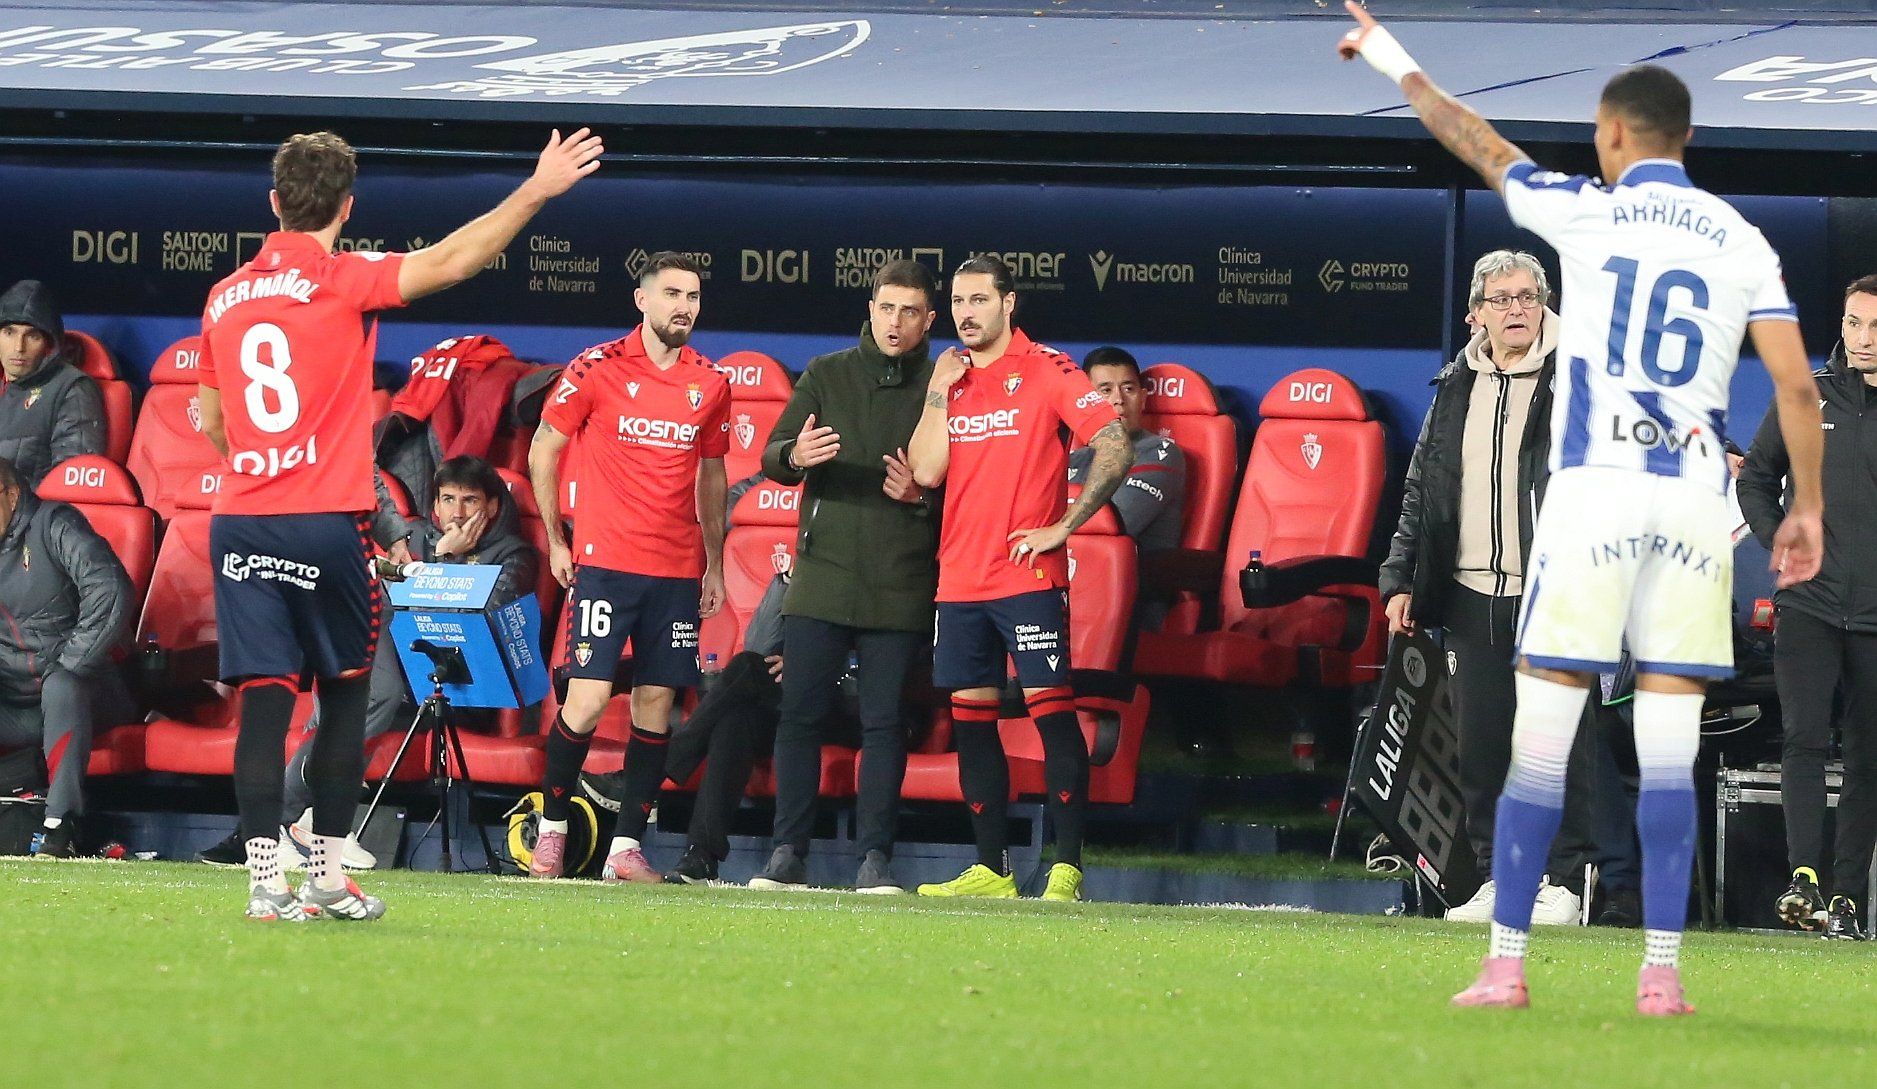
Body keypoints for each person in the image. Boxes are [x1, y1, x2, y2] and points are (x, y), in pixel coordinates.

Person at [1341, 5, 1824, 1016]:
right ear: (1687, 138)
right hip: (1688, 507)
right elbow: (1795, 390)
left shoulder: (1585, 212)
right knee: (1663, 748)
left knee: (1541, 740)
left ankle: (1504, 963)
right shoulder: (1738, 238)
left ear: (1609, 137)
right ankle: (1658, 975)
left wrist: (1389, 57)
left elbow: (1473, 139)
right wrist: (1802, 508)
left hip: (1593, 492)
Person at [200, 127, 603, 922]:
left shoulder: (221, 296)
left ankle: (261, 886)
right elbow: (454, 260)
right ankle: (321, 874)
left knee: (266, 702)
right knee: (347, 694)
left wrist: (266, 464)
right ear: (347, 207)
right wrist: (536, 188)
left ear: (274, 202)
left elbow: (216, 423)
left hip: (241, 521)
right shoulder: (345, 279)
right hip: (324, 521)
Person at [1379, 250, 1597, 927]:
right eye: (1500, 299)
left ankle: (1565, 881)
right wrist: (1399, 576)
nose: (1514, 311)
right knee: (1480, 750)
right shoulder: (1454, 386)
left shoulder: (1580, 377)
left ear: (1544, 304)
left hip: (1553, 593)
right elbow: (1422, 489)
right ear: (1476, 312)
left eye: (1526, 297)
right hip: (1470, 591)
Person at [907, 255, 1133, 902]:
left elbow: (1114, 443)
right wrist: (935, 390)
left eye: (978, 299)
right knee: (971, 722)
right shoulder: (951, 378)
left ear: (1009, 304)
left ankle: (1066, 867)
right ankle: (992, 870)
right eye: (956, 301)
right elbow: (925, 471)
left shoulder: (1048, 369)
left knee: (1050, 717)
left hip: (1027, 577)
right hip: (958, 580)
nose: (965, 312)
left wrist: (1066, 524)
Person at [196, 455, 537, 871]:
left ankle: (274, 827)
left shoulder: (515, 554)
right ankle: (306, 822)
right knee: (357, 690)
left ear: (493, 507)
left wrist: (446, 563)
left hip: (455, 691)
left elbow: (475, 624)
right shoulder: (412, 539)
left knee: (364, 699)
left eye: (470, 501)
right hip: (398, 681)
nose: (458, 513)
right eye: (448, 499)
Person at [526, 252, 730, 884]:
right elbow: (544, 448)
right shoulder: (596, 368)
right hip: (606, 566)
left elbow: (715, 474)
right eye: (672, 293)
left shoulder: (712, 381)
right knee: (584, 703)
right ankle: (553, 832)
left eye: (692, 296)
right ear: (642, 300)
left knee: (655, 704)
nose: (684, 307)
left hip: (675, 571)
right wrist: (557, 539)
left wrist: (715, 564)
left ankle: (625, 851)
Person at [744, 259, 941, 893]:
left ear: (928, 320)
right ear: (871, 309)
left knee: (884, 723)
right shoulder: (828, 373)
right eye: (887, 308)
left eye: (910, 312)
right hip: (822, 576)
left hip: (901, 579)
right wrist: (796, 456)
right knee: (799, 716)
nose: (896, 322)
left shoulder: (943, 386)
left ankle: (876, 858)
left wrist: (921, 497)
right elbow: (772, 454)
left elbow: (967, 491)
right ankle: (786, 853)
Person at [1738, 274, 1877, 942]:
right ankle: (1803, 878)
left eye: (1875, 327)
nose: (1864, 339)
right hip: (1810, 604)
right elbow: (1757, 477)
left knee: (1867, 755)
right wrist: (1777, 537)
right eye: (1854, 324)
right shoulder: (1806, 395)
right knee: (1801, 738)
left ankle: (1848, 899)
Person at [0, 455, 133, 857]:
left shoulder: (54, 523)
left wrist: (71, 663)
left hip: (85, 694)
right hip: (15, 706)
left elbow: (110, 590)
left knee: (61, 686)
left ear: (10, 494)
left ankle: (60, 825)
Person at [1071, 346, 1187, 630]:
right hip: (1068, 589)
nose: (1118, 401)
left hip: (1130, 600)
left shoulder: (1160, 453)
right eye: (1105, 390)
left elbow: (1113, 523)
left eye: (1128, 389)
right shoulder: (1075, 457)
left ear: (1143, 398)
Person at [0, 280, 106, 487]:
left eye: (32, 336)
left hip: (29, 515)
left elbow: (72, 485)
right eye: (9, 332)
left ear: (48, 343)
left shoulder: (72, 389)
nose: (19, 347)